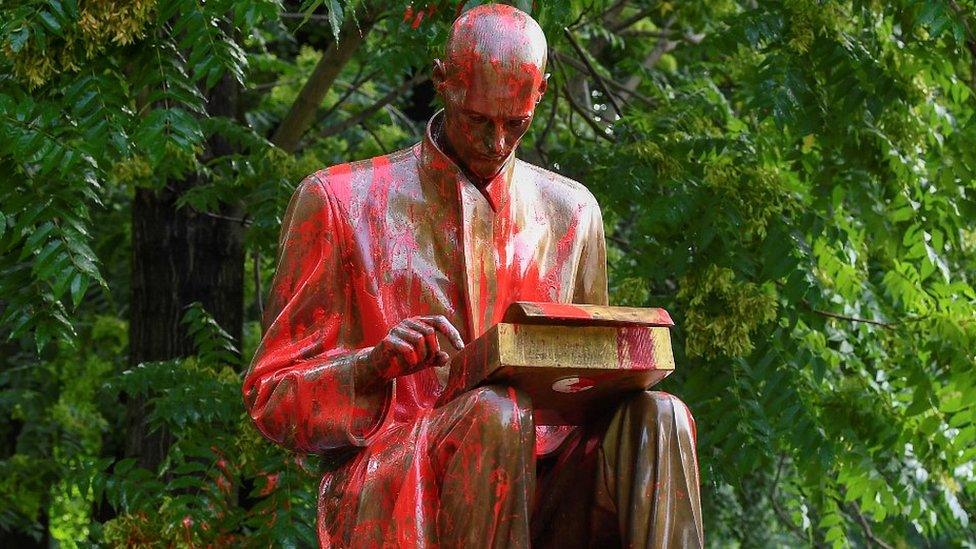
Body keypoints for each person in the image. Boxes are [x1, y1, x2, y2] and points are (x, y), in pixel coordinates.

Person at [243, 4, 703, 547]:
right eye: (478, 120)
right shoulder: (340, 202)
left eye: (516, 124)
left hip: (549, 487)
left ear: (543, 94)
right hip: (405, 480)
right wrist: (369, 367)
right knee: (495, 414)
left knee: (660, 417)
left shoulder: (573, 215)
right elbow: (274, 399)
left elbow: (591, 392)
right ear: (442, 80)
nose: (496, 142)